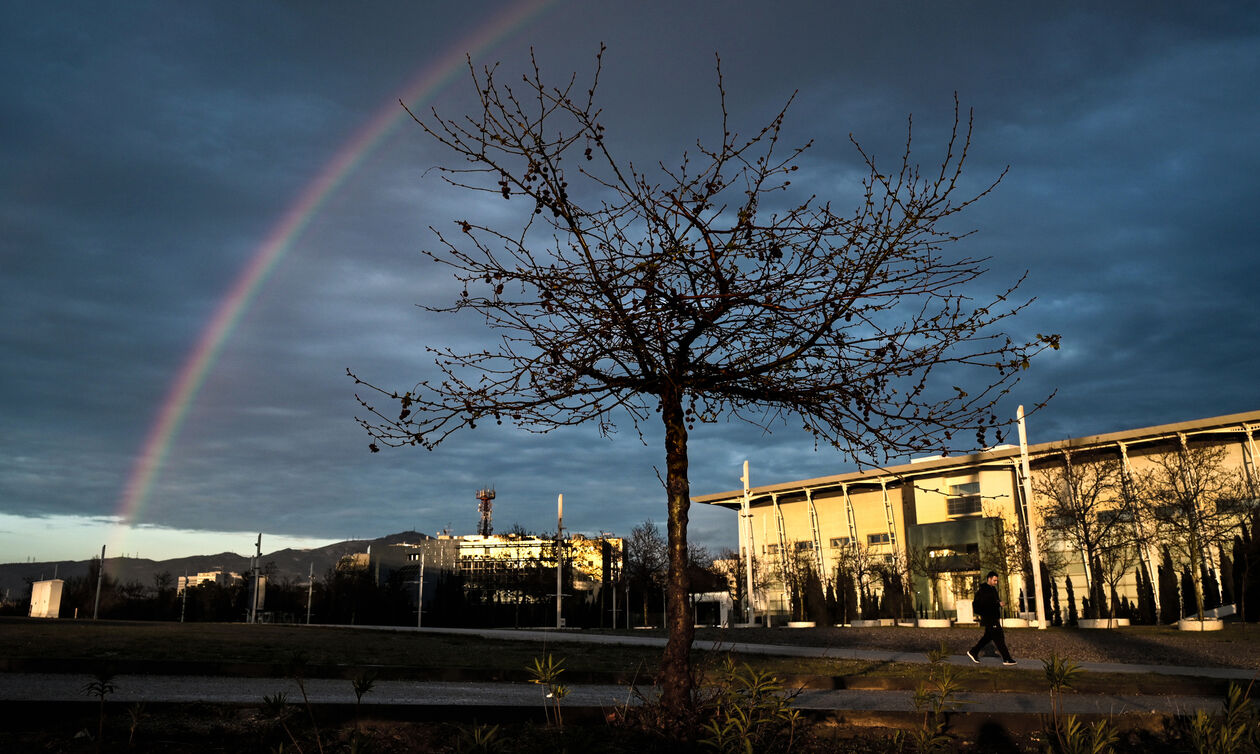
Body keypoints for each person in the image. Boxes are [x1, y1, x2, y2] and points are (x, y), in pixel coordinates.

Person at [967, 571, 1016, 666]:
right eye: (994, 580)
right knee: (999, 637)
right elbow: (986, 604)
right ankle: (1007, 659)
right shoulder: (984, 591)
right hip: (989, 618)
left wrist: (999, 603)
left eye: (997, 581)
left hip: (993, 617)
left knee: (988, 637)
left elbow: (993, 601)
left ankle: (973, 652)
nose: (996, 582)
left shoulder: (992, 589)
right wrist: (998, 604)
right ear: (989, 579)